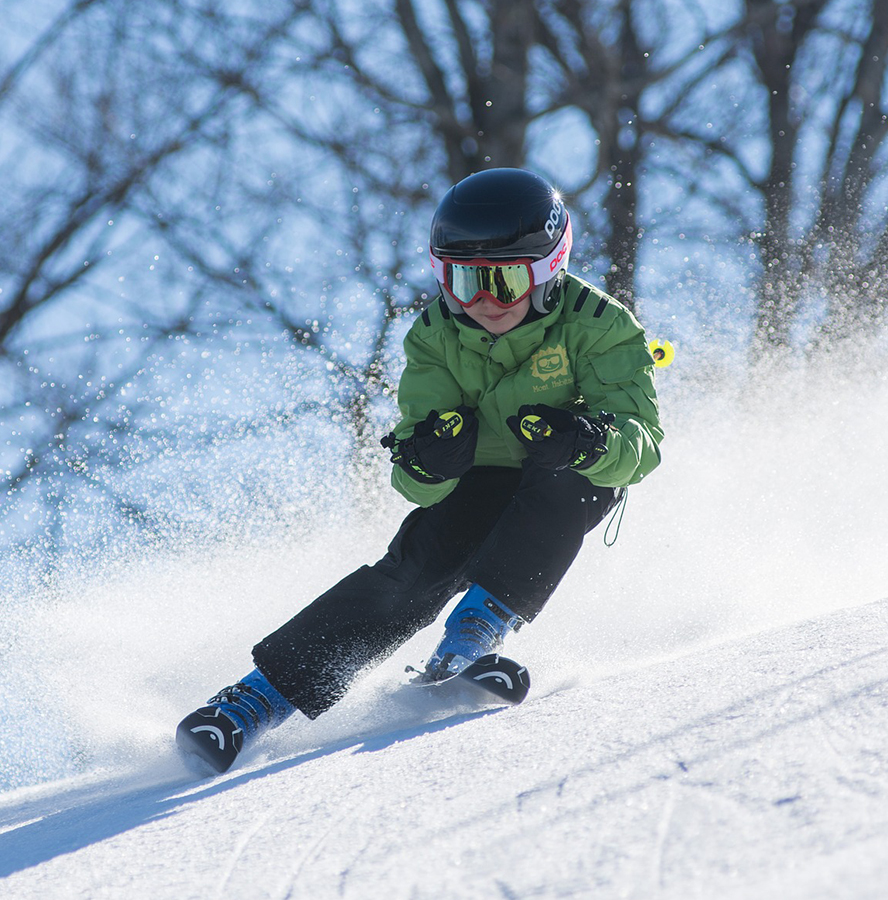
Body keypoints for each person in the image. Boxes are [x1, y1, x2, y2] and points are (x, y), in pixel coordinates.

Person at [176, 167, 664, 774]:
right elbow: (412, 479)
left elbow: (642, 447)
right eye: (462, 281)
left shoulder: (601, 325)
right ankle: (253, 702)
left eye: (504, 281)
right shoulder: (435, 334)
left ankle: (470, 640)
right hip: (479, 479)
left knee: (571, 484)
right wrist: (429, 460)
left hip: (564, 473)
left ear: (548, 272)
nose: (481, 301)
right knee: (416, 568)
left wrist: (587, 441)